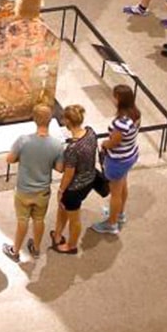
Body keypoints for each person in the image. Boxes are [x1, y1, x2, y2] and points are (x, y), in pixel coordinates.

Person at [2, 104, 63, 262]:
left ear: (34, 119)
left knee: (22, 220)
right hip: (42, 191)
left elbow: (9, 159)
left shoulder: (23, 141)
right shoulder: (57, 144)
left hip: (24, 189)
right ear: (50, 119)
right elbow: (60, 168)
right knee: (39, 219)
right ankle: (36, 248)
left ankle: (15, 251)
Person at [91, 85, 140, 235]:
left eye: (114, 96)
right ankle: (119, 213)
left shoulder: (121, 123)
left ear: (119, 99)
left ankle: (111, 223)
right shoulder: (136, 114)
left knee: (116, 193)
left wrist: (104, 144)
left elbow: (113, 142)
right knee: (123, 185)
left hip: (118, 161)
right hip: (130, 154)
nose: (112, 99)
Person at [50, 105, 97, 254]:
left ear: (68, 121)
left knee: (74, 217)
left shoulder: (72, 148)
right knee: (62, 208)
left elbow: (68, 173)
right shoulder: (90, 132)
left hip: (75, 187)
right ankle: (57, 234)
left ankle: (71, 245)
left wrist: (61, 190)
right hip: (90, 178)